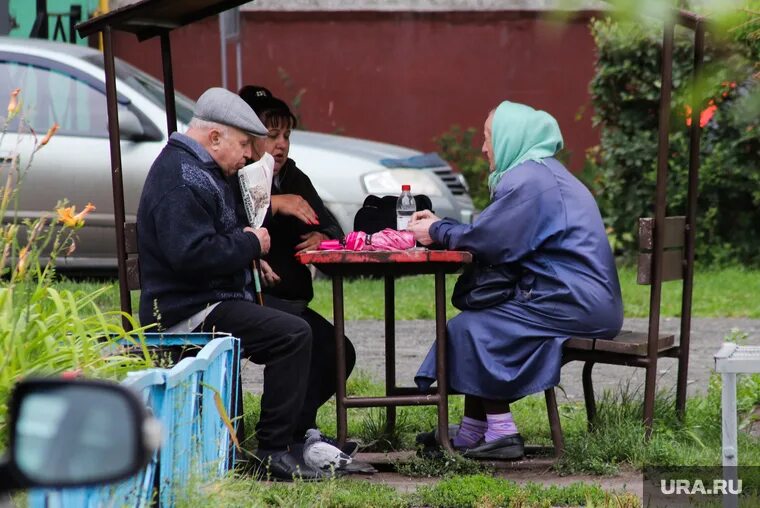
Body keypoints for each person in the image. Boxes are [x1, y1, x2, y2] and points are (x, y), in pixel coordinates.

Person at [408, 101, 623, 460]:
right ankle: (476, 431)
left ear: (512, 138)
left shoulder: (530, 179)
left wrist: (436, 229)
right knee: (476, 323)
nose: (483, 147)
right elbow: (495, 233)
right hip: (574, 298)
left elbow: (491, 241)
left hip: (572, 302)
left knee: (471, 328)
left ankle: (504, 433)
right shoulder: (542, 174)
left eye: (489, 137)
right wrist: (443, 227)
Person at [136, 87, 321, 480]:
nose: (250, 155)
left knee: (308, 331)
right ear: (214, 136)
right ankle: (273, 450)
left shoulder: (202, 170)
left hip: (211, 299)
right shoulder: (181, 177)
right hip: (189, 310)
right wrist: (251, 242)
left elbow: (213, 236)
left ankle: (282, 442)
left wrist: (247, 252)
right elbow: (191, 256)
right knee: (293, 335)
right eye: (243, 144)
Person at [238, 85, 357, 453]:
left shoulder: (293, 176)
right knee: (300, 336)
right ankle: (280, 437)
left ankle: (298, 428)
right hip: (250, 300)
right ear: (247, 137)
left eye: (286, 135)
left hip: (291, 302)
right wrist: (274, 203)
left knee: (339, 350)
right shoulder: (233, 176)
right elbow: (228, 222)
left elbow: (334, 227)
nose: (282, 144)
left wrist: (323, 235)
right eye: (271, 135)